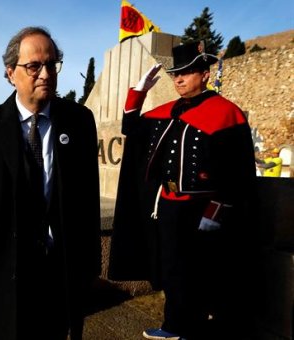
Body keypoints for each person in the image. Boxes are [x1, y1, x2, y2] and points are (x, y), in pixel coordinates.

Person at [0, 26, 101, 340]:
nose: (45, 74)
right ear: (10, 73)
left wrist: (89, 268)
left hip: (60, 273)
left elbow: (88, 200)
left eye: (52, 64)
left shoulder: (79, 121)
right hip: (3, 274)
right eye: (34, 66)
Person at [109, 41, 258, 339]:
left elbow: (238, 171)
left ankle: (192, 326)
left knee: (201, 271)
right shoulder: (167, 110)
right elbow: (131, 128)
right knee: (173, 269)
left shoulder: (227, 113)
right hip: (167, 202)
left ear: (204, 74)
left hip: (201, 208)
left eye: (186, 72)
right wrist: (138, 93)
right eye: (175, 73)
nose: (177, 78)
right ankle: (175, 326)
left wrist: (215, 212)